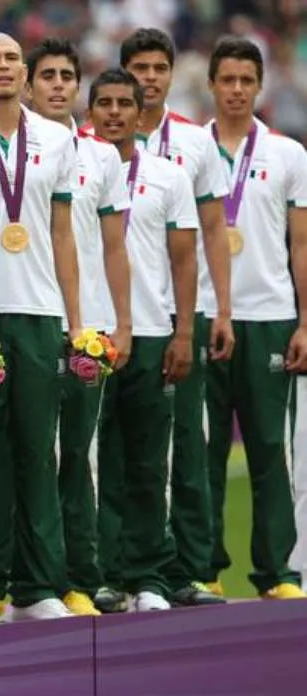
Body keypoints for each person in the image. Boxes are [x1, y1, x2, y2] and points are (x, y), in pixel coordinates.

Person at [0, 32, 82, 622]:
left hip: (37, 311)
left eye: (13, 59)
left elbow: (63, 232)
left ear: (24, 73)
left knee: (38, 450)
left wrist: (75, 320)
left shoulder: (59, 138)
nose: (4, 67)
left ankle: (40, 585)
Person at [117, 28, 232, 608]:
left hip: (183, 309)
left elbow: (212, 230)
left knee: (188, 448)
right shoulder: (92, 142)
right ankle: (117, 569)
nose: (151, 77)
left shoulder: (193, 142)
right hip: (116, 320)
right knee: (120, 452)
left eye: (160, 67)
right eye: (140, 67)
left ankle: (191, 569)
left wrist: (218, 310)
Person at [25, 38, 132, 617]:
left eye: (67, 75)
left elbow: (115, 246)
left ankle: (82, 578)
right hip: (28, 319)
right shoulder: (4, 146)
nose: (58, 84)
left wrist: (123, 321)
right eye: (48, 75)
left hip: (86, 326)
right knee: (28, 453)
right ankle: (28, 577)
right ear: (29, 84)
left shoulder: (103, 157)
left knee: (79, 456)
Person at [90, 67, 198, 612]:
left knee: (149, 461)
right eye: (104, 103)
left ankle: (149, 576)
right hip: (92, 335)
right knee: (95, 461)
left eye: (123, 104)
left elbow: (184, 259)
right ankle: (104, 574)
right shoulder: (79, 170)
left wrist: (184, 332)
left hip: (154, 332)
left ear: (140, 113)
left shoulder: (169, 176)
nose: (113, 112)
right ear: (91, 114)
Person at [205, 37, 307, 600]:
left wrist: (304, 320)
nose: (238, 90)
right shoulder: (188, 150)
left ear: (259, 85)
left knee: (271, 451)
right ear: (213, 84)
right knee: (203, 452)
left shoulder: (289, 154)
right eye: (228, 80)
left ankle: (277, 574)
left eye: (247, 80)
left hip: (269, 314)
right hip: (204, 316)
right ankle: (203, 569)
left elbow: (302, 244)